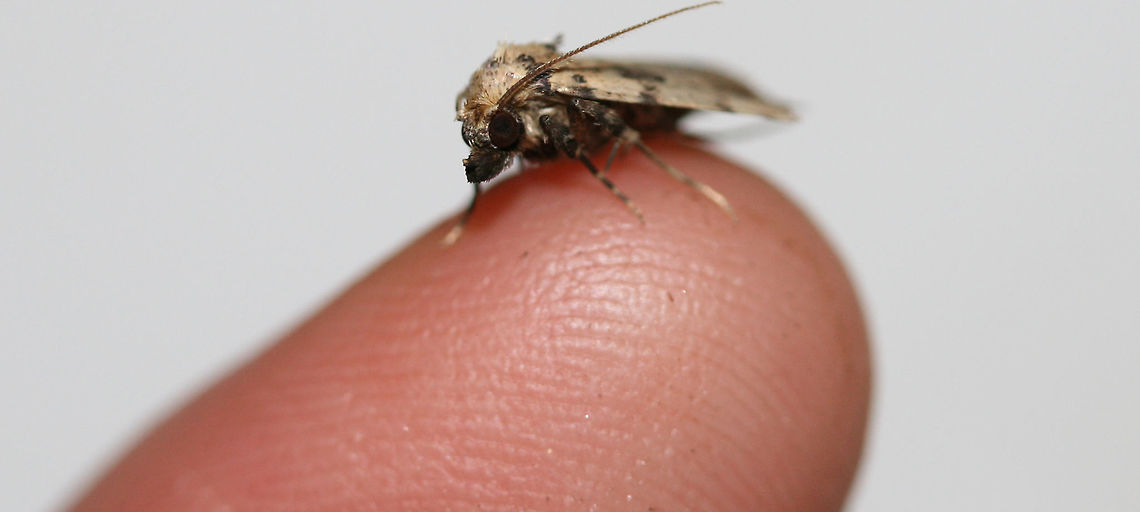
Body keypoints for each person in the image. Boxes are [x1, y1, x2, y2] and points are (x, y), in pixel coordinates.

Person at [69, 140, 870, 511]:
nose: (482, 159)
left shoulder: (555, 110)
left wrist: (615, 187)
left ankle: (639, 186)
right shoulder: (510, 135)